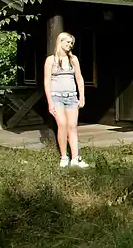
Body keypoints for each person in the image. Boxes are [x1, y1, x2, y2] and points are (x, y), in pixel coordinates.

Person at [43, 31, 89, 168]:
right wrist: (50, 102)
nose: (70, 45)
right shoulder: (50, 60)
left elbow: (79, 79)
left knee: (72, 127)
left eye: (71, 43)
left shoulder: (73, 59)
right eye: (67, 42)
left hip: (72, 97)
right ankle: (64, 156)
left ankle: (75, 158)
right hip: (56, 97)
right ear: (60, 42)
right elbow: (47, 82)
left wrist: (82, 96)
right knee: (62, 125)